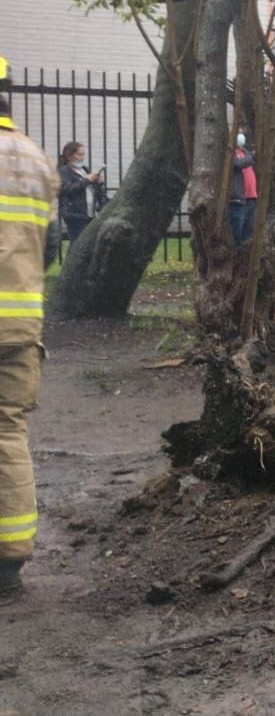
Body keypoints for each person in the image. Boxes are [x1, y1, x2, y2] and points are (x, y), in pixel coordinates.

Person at [0, 89, 58, 602]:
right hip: (19, 325)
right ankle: (9, 562)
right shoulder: (35, 159)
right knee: (7, 433)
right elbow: (53, 244)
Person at [56, 142, 106, 243]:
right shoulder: (64, 171)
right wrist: (87, 180)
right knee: (78, 243)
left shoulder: (84, 169)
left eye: (83, 154)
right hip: (75, 214)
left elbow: (90, 188)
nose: (82, 157)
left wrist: (97, 182)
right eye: (79, 154)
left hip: (88, 213)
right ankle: (72, 259)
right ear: (69, 156)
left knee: (87, 244)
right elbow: (66, 189)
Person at [229, 132, 259, 247]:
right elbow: (238, 163)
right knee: (237, 232)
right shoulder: (230, 153)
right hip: (238, 200)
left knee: (248, 231)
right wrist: (252, 156)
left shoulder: (245, 152)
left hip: (251, 197)